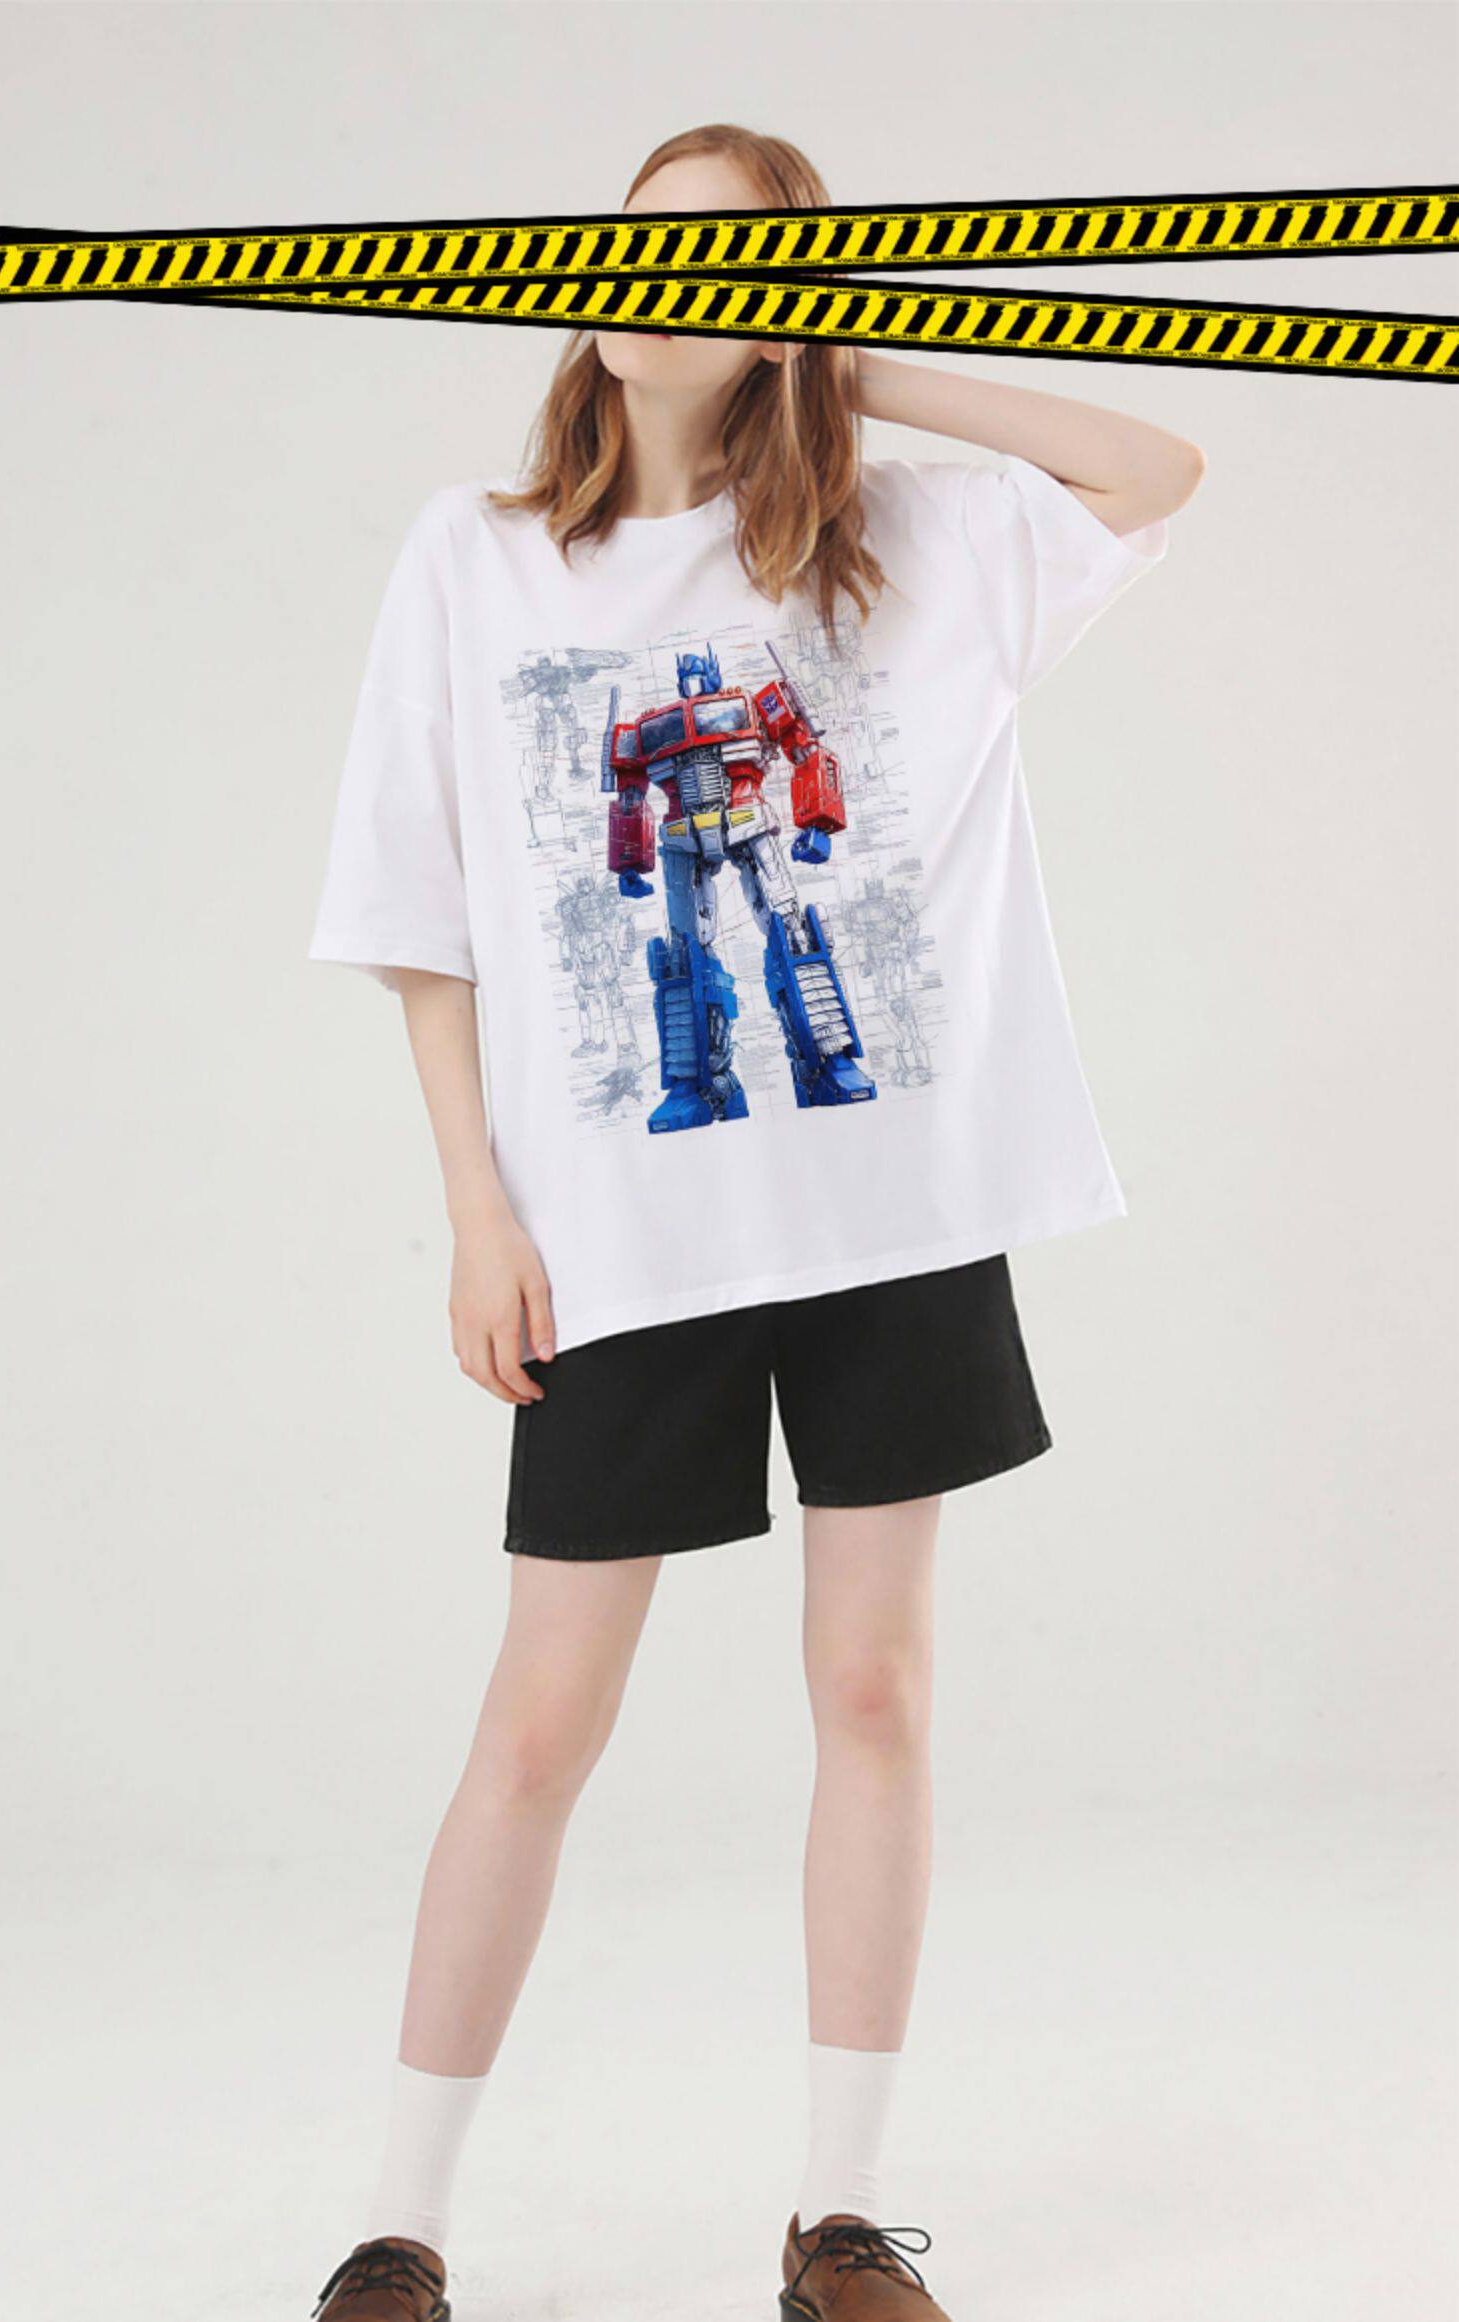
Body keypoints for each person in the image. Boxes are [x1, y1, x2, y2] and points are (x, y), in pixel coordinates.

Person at [304, 122, 1204, 2322]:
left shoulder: (910, 542)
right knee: (540, 1721)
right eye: (639, 244)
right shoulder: (480, 559)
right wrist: (475, 1208)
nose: (660, 284)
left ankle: (838, 2220)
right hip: (619, 1227)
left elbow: (1155, 466)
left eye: (729, 263)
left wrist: (875, 358)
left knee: (873, 1687)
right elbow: (423, 914)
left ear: (792, 308)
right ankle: (401, 2226)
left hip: (889, 1215)